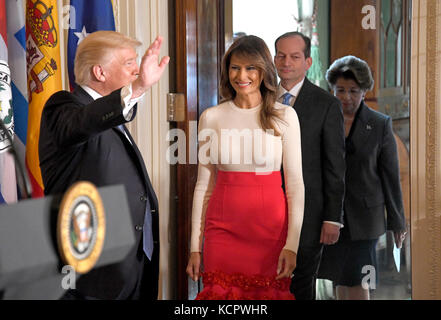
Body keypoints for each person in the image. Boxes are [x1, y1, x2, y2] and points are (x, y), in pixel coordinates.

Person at [39, 31, 169, 300]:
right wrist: (138, 88)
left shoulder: (115, 116)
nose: (137, 70)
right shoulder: (64, 107)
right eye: (129, 63)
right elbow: (85, 122)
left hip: (131, 263)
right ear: (100, 72)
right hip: (92, 276)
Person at [186, 35, 305, 300]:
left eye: (250, 67)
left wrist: (292, 245)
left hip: (271, 233)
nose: (242, 75)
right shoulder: (211, 117)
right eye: (235, 67)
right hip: (222, 233)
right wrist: (195, 247)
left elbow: (295, 186)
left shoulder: (286, 116)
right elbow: (203, 186)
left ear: (263, 71)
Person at [317, 55, 407, 300]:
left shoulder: (380, 124)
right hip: (332, 217)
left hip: (365, 220)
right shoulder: (324, 121)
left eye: (353, 91)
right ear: (332, 89)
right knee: (340, 280)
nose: (346, 97)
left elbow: (391, 176)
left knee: (361, 281)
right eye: (340, 90)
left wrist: (397, 221)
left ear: (365, 91)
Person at [274, 31, 346, 300]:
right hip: (266, 210)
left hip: (310, 212)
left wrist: (332, 218)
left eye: (294, 56)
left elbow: (335, 165)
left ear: (308, 61)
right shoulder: (260, 99)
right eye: (281, 56)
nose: (286, 62)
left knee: (301, 283)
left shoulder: (326, 104)